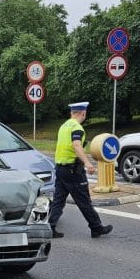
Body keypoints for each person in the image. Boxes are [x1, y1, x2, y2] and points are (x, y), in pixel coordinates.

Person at [48, 101, 112, 239]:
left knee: (59, 200)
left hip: (60, 169)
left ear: (72, 113)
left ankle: (50, 227)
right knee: (83, 200)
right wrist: (88, 163)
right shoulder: (77, 128)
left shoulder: (64, 126)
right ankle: (96, 228)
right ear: (83, 113)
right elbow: (77, 145)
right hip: (73, 170)